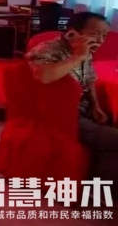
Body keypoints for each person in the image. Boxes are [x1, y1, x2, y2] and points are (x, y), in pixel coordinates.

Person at [26, 11, 116, 183]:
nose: (100, 40)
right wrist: (77, 57)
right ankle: (100, 189)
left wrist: (96, 106)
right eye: (94, 34)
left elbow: (89, 79)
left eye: (104, 36)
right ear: (72, 32)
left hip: (80, 109)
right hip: (57, 115)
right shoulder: (47, 49)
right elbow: (44, 76)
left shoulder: (85, 50)